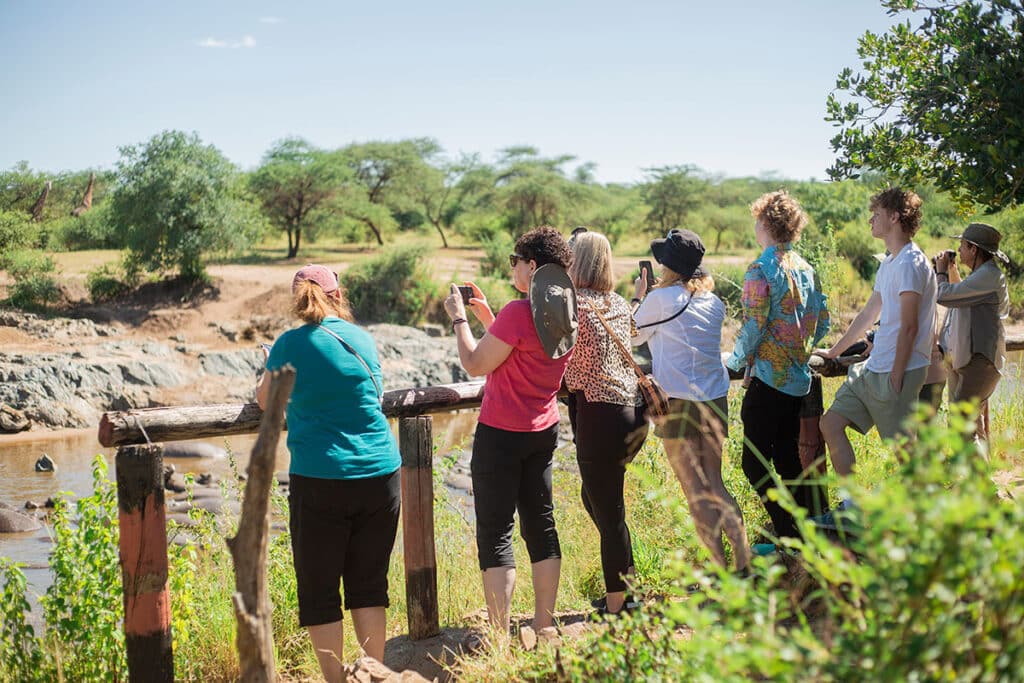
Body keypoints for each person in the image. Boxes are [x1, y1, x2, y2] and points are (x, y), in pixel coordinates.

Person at [256, 264, 400, 683]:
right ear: (338, 295)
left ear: (297, 301)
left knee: (320, 592)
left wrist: (268, 365)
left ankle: (336, 681)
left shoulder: (288, 344)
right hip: (380, 473)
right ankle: (376, 675)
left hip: (321, 478)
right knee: (369, 585)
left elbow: (266, 401)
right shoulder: (362, 339)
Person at [443, 226, 577, 635]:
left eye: (515, 261)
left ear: (531, 265)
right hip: (542, 430)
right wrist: (490, 316)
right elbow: (523, 346)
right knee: (540, 523)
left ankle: (500, 635)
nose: (512, 268)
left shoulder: (519, 313)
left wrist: (459, 319)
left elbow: (475, 362)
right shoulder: (566, 311)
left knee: (496, 530)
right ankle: (543, 625)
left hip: (501, 434)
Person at [632, 229, 750, 572]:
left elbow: (632, 332)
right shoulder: (713, 302)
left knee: (694, 489)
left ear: (667, 265)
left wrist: (640, 298)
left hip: (679, 403)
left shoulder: (660, 299)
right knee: (715, 482)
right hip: (714, 397)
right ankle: (743, 565)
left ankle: (717, 571)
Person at [816, 188, 937, 517]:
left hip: (897, 371)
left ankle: (927, 522)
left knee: (903, 453)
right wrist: (833, 352)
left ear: (895, 216)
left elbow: (910, 326)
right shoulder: (889, 263)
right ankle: (853, 506)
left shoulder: (912, 263)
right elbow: (868, 314)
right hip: (873, 369)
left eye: (877, 213)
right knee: (830, 424)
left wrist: (897, 372)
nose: (871, 219)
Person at [726, 191, 830, 546]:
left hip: (768, 380)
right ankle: (805, 535)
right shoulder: (806, 268)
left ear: (766, 224)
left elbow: (753, 326)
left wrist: (735, 361)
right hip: (798, 380)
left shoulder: (761, 269)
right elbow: (824, 323)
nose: (755, 226)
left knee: (754, 465)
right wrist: (799, 349)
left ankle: (788, 533)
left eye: (757, 220)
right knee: (787, 460)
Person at [564, 230, 647, 616]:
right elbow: (630, 331)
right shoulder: (614, 302)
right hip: (631, 415)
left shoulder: (574, 307)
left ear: (576, 262)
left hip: (599, 416)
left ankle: (617, 606)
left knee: (609, 514)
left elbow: (568, 372)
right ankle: (630, 586)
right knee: (598, 501)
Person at [934, 222, 1010, 441]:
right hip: (973, 360)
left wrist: (940, 272)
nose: (959, 250)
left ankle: (974, 473)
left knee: (960, 422)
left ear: (974, 249)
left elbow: (945, 296)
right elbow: (962, 297)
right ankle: (981, 473)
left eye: (962, 246)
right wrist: (951, 270)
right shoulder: (983, 275)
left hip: (981, 361)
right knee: (971, 425)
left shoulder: (988, 276)